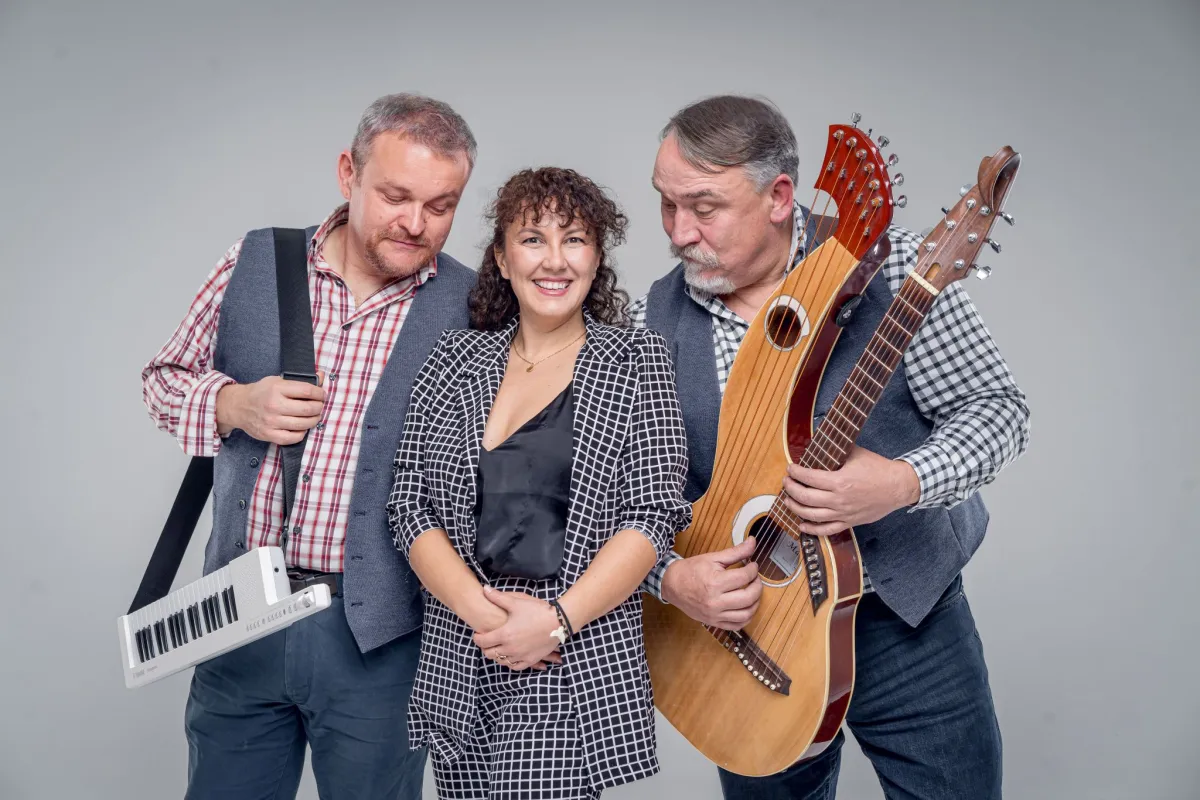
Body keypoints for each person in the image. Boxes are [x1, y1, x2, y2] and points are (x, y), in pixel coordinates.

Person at [631, 95, 1031, 799]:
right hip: (748, 635)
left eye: (704, 207)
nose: (679, 231)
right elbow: (629, 493)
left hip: (901, 617)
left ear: (780, 197)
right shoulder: (655, 318)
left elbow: (997, 410)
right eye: (667, 204)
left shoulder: (898, 269)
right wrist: (672, 578)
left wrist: (904, 481)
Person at [141, 93, 478, 800]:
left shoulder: (474, 306)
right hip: (238, 614)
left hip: (381, 634)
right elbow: (162, 380)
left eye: (441, 205)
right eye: (395, 196)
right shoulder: (256, 259)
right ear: (348, 172)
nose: (415, 223)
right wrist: (232, 404)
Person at [387, 167, 691, 799]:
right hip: (462, 655)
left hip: (566, 663)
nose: (555, 260)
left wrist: (554, 622)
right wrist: (487, 620)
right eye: (532, 239)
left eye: (574, 239)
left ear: (597, 256)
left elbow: (653, 517)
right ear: (502, 258)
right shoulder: (452, 360)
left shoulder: (638, 362)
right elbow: (409, 505)